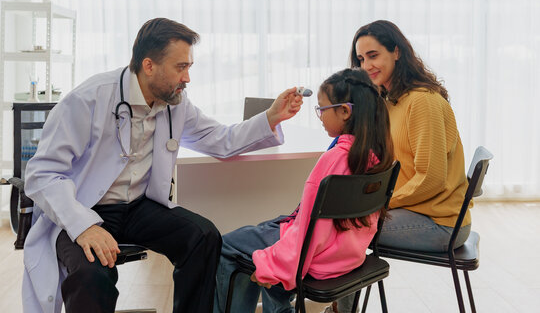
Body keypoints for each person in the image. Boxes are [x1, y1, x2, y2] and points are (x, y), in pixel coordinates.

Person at [22, 17, 304, 313]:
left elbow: (220, 139)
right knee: (92, 273)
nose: (187, 78)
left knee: (203, 237)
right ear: (149, 66)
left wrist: (271, 117)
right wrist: (84, 226)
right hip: (83, 209)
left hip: (138, 208)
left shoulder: (176, 103)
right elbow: (42, 174)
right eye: (180, 67)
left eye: (189, 67)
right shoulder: (89, 99)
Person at [213, 68, 395, 313]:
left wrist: (274, 264)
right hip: (347, 255)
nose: (319, 117)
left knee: (226, 245)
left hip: (317, 257)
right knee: (269, 229)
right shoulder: (377, 157)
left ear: (344, 111)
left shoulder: (334, 160)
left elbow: (309, 231)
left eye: (322, 109)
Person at [330, 20, 471, 312]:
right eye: (360, 59)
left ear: (396, 52)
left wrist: (378, 204)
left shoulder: (422, 102)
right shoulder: (391, 99)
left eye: (373, 55)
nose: (366, 65)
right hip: (420, 211)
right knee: (341, 218)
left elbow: (431, 178)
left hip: (440, 222)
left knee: (344, 228)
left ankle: (340, 311)